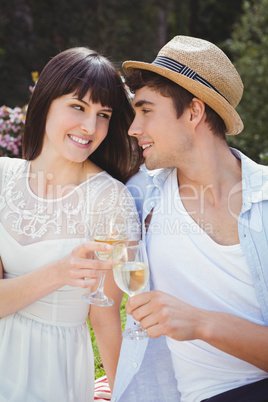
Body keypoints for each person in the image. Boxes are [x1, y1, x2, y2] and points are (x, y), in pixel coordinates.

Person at [112, 36, 268, 402]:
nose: (134, 129)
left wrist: (199, 323)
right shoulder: (140, 197)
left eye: (147, 111)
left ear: (194, 112)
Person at [0, 47, 142, 401]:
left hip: (56, 372)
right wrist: (60, 273)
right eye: (78, 107)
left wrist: (128, 393)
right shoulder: (2, 177)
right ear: (45, 102)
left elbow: (104, 319)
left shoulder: (111, 200)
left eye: (103, 114)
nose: (90, 127)